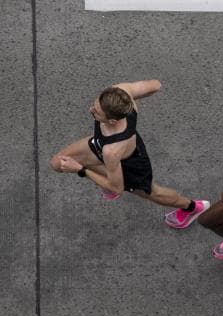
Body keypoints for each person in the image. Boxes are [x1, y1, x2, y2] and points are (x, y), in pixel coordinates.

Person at [49, 81, 209, 228]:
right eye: (94, 104)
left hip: (131, 165)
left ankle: (192, 208)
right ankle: (109, 176)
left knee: (153, 193)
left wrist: (79, 170)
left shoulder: (112, 151)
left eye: (96, 113)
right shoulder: (121, 93)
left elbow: (116, 188)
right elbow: (155, 85)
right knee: (57, 163)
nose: (90, 110)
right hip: (101, 145)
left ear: (112, 121)